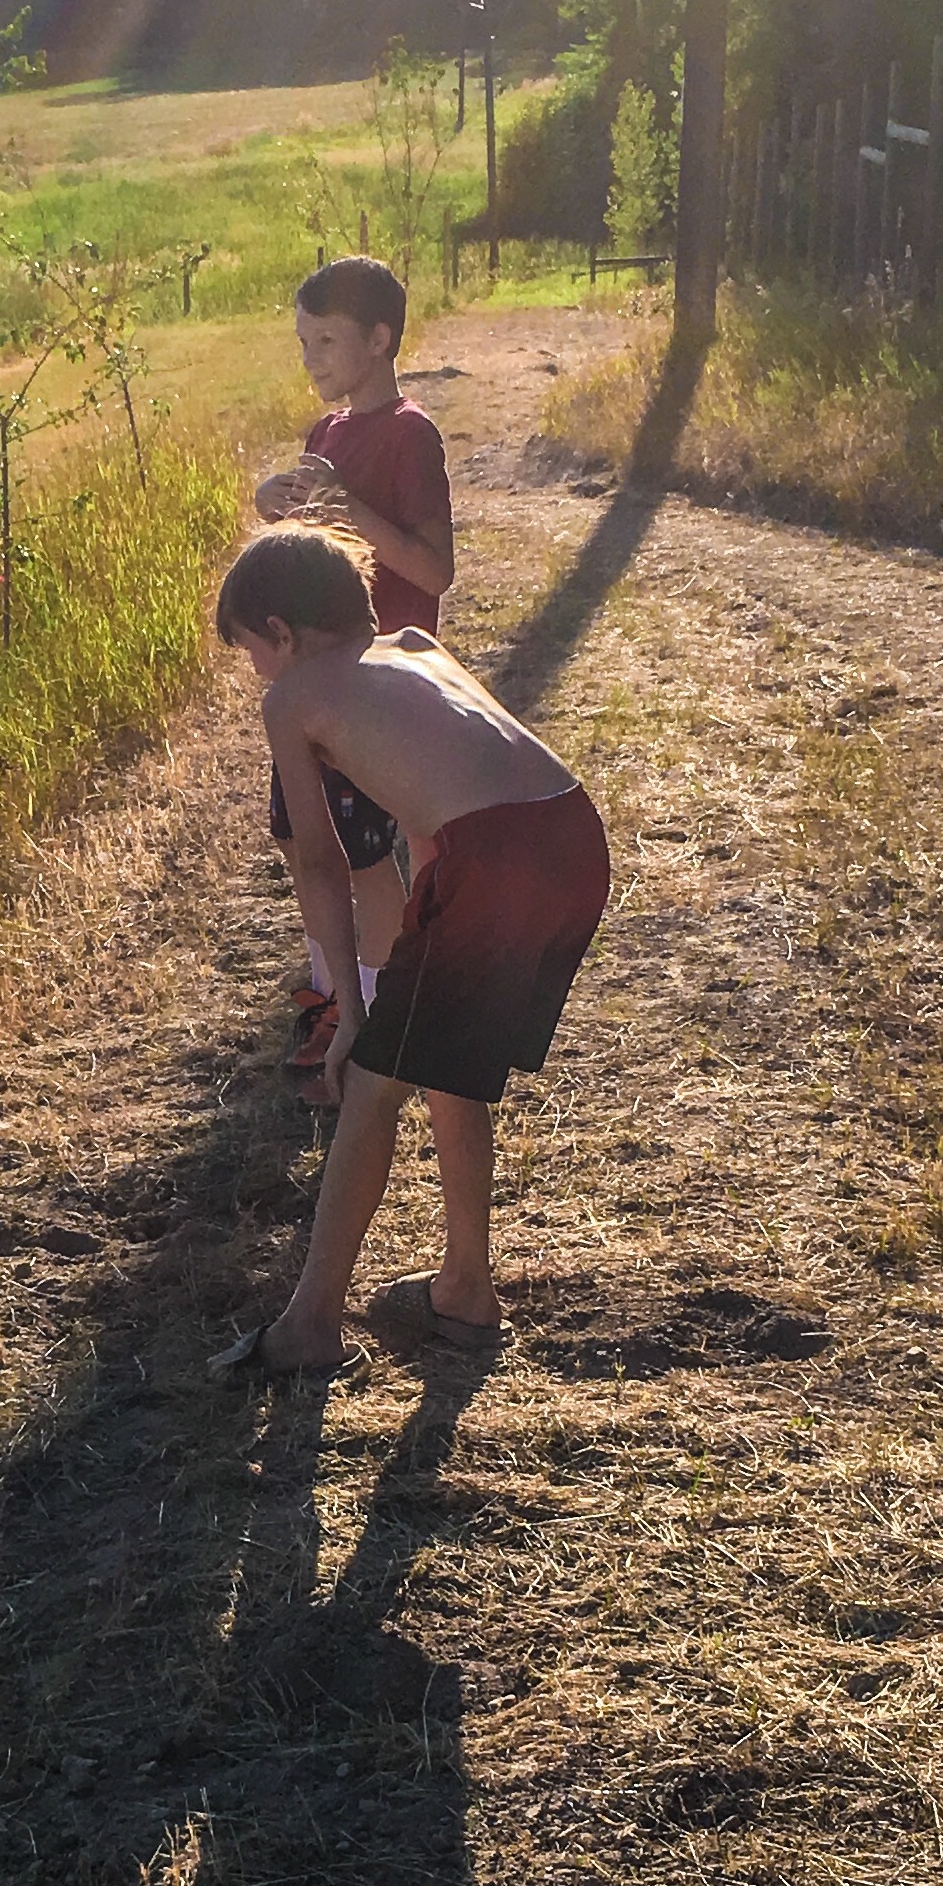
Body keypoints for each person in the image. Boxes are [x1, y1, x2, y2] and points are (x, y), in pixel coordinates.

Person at [210, 524, 609, 1379]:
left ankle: (311, 1322)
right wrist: (406, 970)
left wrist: (348, 1013)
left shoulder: (294, 697)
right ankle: (465, 1288)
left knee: (369, 1081)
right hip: (571, 834)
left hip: (496, 855)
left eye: (252, 650)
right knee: (441, 1063)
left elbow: (320, 861)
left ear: (279, 631)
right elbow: (440, 816)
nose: (258, 672)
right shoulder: (418, 645)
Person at [250, 257, 454, 1094]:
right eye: (303, 340)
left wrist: (349, 510)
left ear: (379, 338)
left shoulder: (410, 433)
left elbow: (434, 571)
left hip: (381, 686)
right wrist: (279, 507)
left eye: (326, 339)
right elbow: (315, 560)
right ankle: (331, 992)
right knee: (306, 842)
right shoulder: (322, 437)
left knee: (368, 856)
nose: (311, 356)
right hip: (315, 689)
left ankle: (374, 1012)